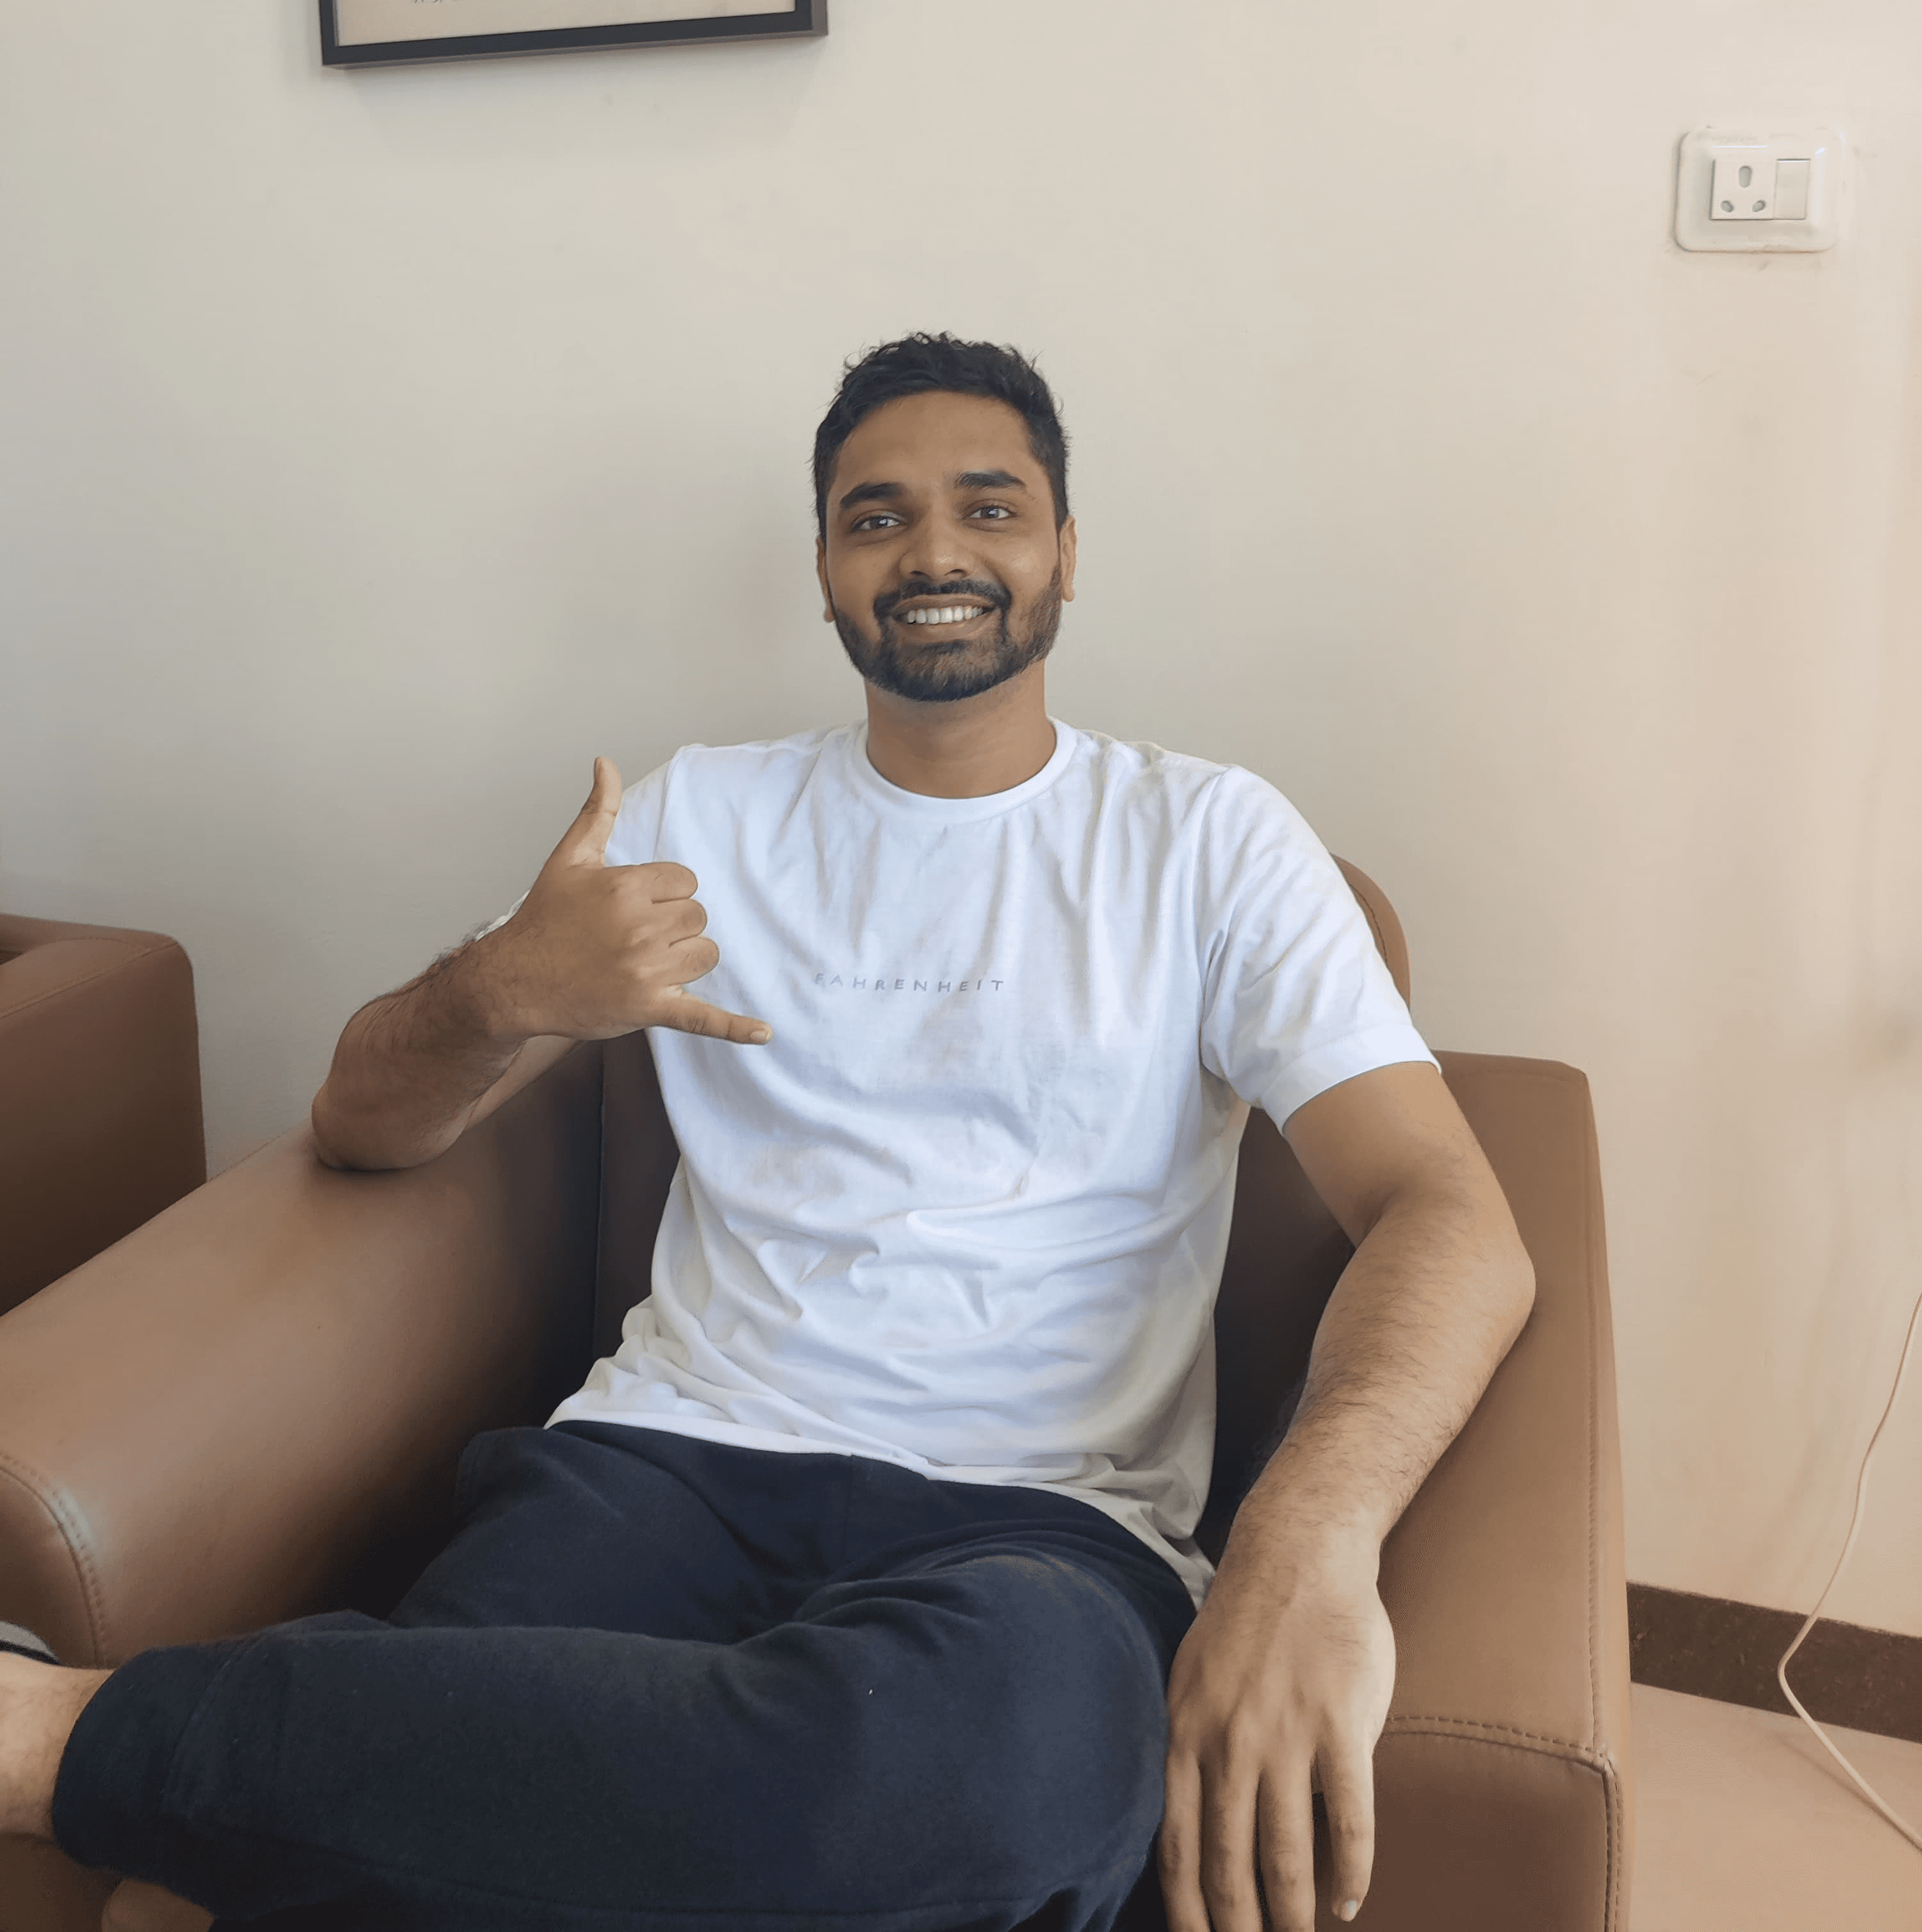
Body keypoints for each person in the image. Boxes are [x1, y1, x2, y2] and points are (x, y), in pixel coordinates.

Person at [0, 334, 1534, 1932]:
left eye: (989, 507)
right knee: (556, 1806)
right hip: (663, 1472)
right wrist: (503, 988)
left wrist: (1308, 1535)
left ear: (1067, 550)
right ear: (824, 572)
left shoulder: (1209, 840)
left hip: (1042, 1536)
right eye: (877, 517)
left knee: (975, 1780)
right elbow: (358, 1122)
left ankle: (62, 1742)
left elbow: (1447, 1212)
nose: (932, 552)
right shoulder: (697, 818)